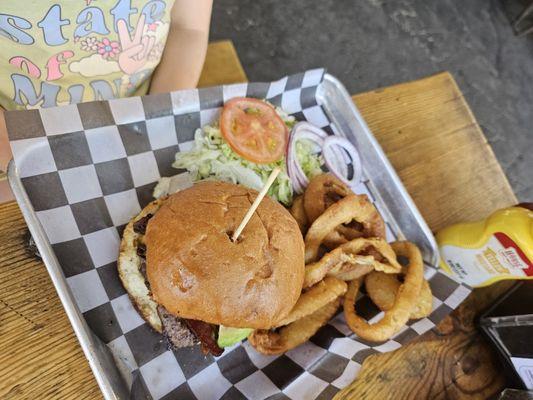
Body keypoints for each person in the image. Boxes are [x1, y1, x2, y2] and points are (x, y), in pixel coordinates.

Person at [0, 0, 213, 202]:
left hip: (137, 124)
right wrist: (25, 163)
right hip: (14, 143)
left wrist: (156, 124)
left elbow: (188, 28)